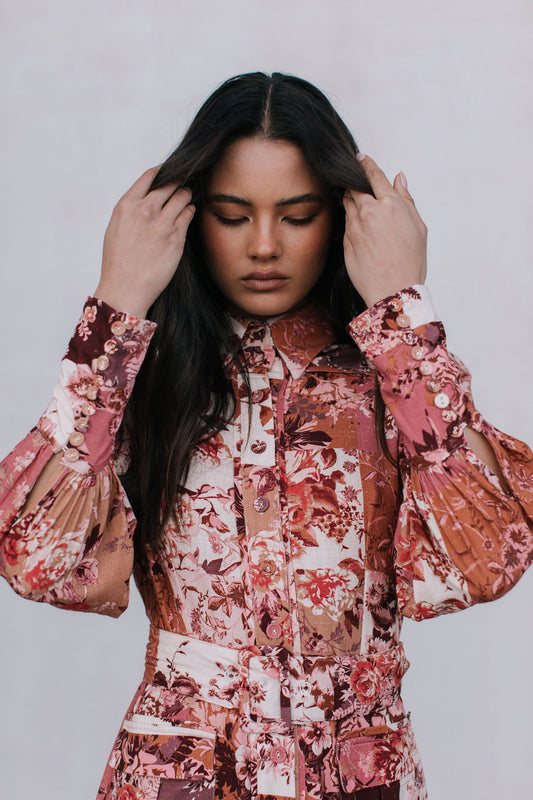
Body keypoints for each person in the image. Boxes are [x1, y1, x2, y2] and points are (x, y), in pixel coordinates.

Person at [1, 72, 532, 800]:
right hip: (178, 776)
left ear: (340, 216)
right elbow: (36, 562)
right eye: (229, 214)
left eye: (297, 214)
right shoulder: (145, 372)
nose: (262, 245)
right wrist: (116, 305)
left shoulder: (389, 371)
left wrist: (403, 317)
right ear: (191, 218)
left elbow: (487, 560)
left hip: (361, 776)